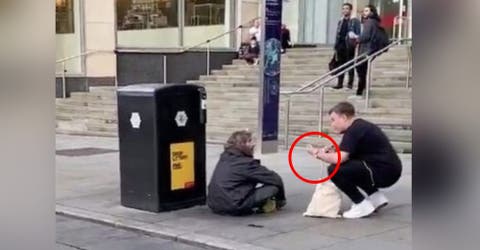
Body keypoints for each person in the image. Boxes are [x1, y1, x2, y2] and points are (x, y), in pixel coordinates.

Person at [307, 102, 402, 219]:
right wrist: (330, 153)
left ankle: (361, 204)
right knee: (349, 168)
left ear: (344, 117)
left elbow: (339, 159)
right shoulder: (360, 126)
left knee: (334, 170)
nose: (332, 124)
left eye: (333, 120)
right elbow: (346, 155)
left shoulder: (354, 130)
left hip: (383, 172)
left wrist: (318, 154)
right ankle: (376, 198)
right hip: (389, 170)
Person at [207, 130, 287, 216]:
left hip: (214, 204)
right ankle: (269, 204)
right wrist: (280, 200)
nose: (253, 144)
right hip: (234, 205)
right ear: (241, 144)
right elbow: (275, 178)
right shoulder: (245, 163)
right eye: (249, 141)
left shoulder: (225, 157)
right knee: (273, 188)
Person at [349, 4, 381, 100]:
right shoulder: (374, 22)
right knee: (362, 70)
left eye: (366, 11)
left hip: (366, 49)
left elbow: (366, 36)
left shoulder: (370, 22)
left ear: (372, 12)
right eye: (364, 11)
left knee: (360, 69)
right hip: (369, 49)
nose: (364, 13)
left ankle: (360, 92)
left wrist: (356, 38)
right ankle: (362, 90)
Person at [332, 3, 361, 90]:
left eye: (347, 9)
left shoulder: (355, 21)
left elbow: (358, 34)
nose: (345, 10)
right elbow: (338, 34)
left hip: (349, 46)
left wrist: (354, 39)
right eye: (343, 9)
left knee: (350, 65)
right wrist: (336, 46)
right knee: (340, 65)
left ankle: (350, 84)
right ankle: (339, 83)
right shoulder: (340, 22)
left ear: (350, 10)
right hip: (340, 46)